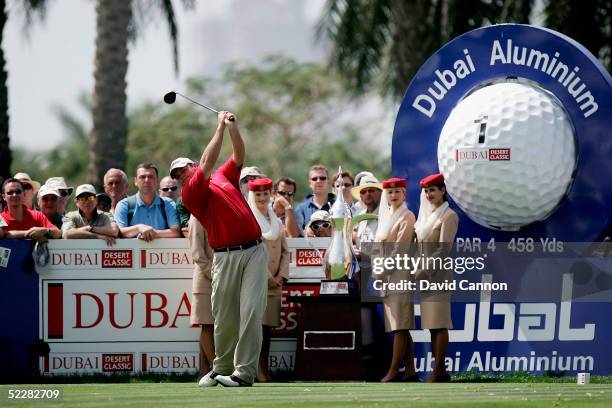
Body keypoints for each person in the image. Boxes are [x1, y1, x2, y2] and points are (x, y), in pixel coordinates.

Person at [174, 111, 268, 388]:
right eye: (177, 176)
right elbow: (207, 161)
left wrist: (233, 128)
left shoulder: (223, 176)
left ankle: (243, 374)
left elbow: (238, 155)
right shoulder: (191, 193)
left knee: (251, 312)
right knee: (224, 317)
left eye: (183, 170)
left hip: (254, 251)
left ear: (190, 165)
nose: (181, 176)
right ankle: (221, 368)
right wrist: (219, 128)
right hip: (224, 256)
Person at [414, 173, 458, 383]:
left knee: (439, 324)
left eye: (433, 189)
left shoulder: (448, 215)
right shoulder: (425, 216)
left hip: (437, 274)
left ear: (443, 191)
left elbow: (443, 250)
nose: (429, 194)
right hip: (424, 275)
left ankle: (439, 369)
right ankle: (439, 371)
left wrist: (423, 268)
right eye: (426, 190)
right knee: (432, 324)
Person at [374, 177, 418, 382]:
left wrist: (382, 270)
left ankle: (393, 371)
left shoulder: (407, 216)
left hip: (399, 275)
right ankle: (410, 371)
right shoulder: (386, 216)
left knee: (400, 326)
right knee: (400, 325)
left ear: (404, 194)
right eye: (390, 192)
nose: (393, 196)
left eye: (397, 192)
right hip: (386, 277)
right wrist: (378, 270)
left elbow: (401, 249)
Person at [246, 178, 290, 382]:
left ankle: (264, 369)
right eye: (258, 195)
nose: (262, 198)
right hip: (256, 282)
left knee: (268, 329)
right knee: (255, 330)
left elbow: (285, 252)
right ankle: (255, 371)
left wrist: (281, 275)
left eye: (265, 194)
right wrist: (267, 277)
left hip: (275, 285)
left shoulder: (276, 221)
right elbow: (249, 253)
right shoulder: (247, 220)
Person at [114, 163, 181, 241]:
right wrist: (139, 228)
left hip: (162, 253)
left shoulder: (168, 204)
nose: (147, 180)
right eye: (142, 177)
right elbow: (118, 232)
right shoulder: (124, 205)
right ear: (135, 181)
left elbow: (176, 232)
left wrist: (153, 233)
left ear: (157, 181)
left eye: (151, 177)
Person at [186, 215, 216, 380]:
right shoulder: (197, 217)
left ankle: (204, 372)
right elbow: (197, 254)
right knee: (206, 325)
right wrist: (215, 273)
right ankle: (216, 369)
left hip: (218, 277)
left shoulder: (215, 213)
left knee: (211, 325)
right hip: (205, 279)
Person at [295, 164, 335, 230]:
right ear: (310, 184)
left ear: (328, 182)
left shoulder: (338, 206)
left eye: (322, 178)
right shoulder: (301, 209)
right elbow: (298, 235)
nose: (318, 181)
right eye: (314, 179)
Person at [351, 175, 383, 250]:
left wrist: (363, 256)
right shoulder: (359, 218)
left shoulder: (388, 215)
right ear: (361, 197)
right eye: (363, 192)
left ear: (380, 193)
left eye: (371, 190)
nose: (367, 194)